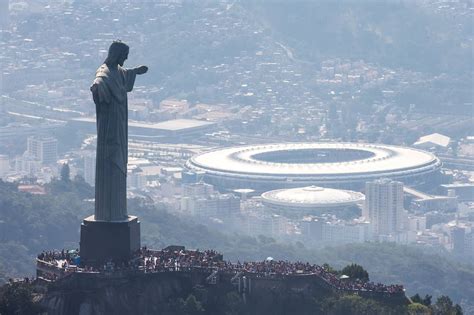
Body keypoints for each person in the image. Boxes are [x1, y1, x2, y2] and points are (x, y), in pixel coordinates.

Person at [91, 41, 148, 221]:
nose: (126, 58)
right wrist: (97, 86)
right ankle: (109, 213)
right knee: (111, 163)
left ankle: (117, 211)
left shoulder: (117, 70)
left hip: (119, 121)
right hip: (110, 126)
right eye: (124, 55)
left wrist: (135, 71)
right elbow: (99, 80)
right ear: (117, 54)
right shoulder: (104, 71)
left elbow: (123, 75)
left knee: (120, 163)